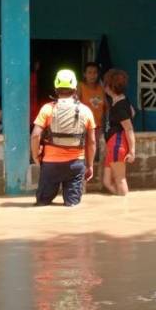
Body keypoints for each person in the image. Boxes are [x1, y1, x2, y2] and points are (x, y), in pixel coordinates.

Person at [31, 69, 96, 207]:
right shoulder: (86, 111)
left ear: (56, 88)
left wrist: (35, 156)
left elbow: (35, 135)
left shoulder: (47, 109)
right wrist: (89, 165)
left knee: (42, 204)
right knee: (72, 207)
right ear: (75, 88)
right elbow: (92, 142)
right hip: (76, 165)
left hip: (50, 165)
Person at [102, 69, 136, 196]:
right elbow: (133, 113)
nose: (103, 86)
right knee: (106, 181)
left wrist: (132, 151)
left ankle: (125, 209)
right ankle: (120, 205)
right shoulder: (121, 100)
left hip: (117, 144)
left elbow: (129, 128)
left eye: (105, 84)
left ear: (110, 86)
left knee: (120, 179)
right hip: (113, 144)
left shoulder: (120, 105)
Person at [77, 62, 107, 159]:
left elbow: (106, 107)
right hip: (83, 127)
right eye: (89, 72)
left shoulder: (101, 88)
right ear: (84, 74)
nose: (92, 75)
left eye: (95, 73)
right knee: (84, 155)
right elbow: (75, 106)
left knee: (96, 155)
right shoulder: (80, 86)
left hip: (98, 127)